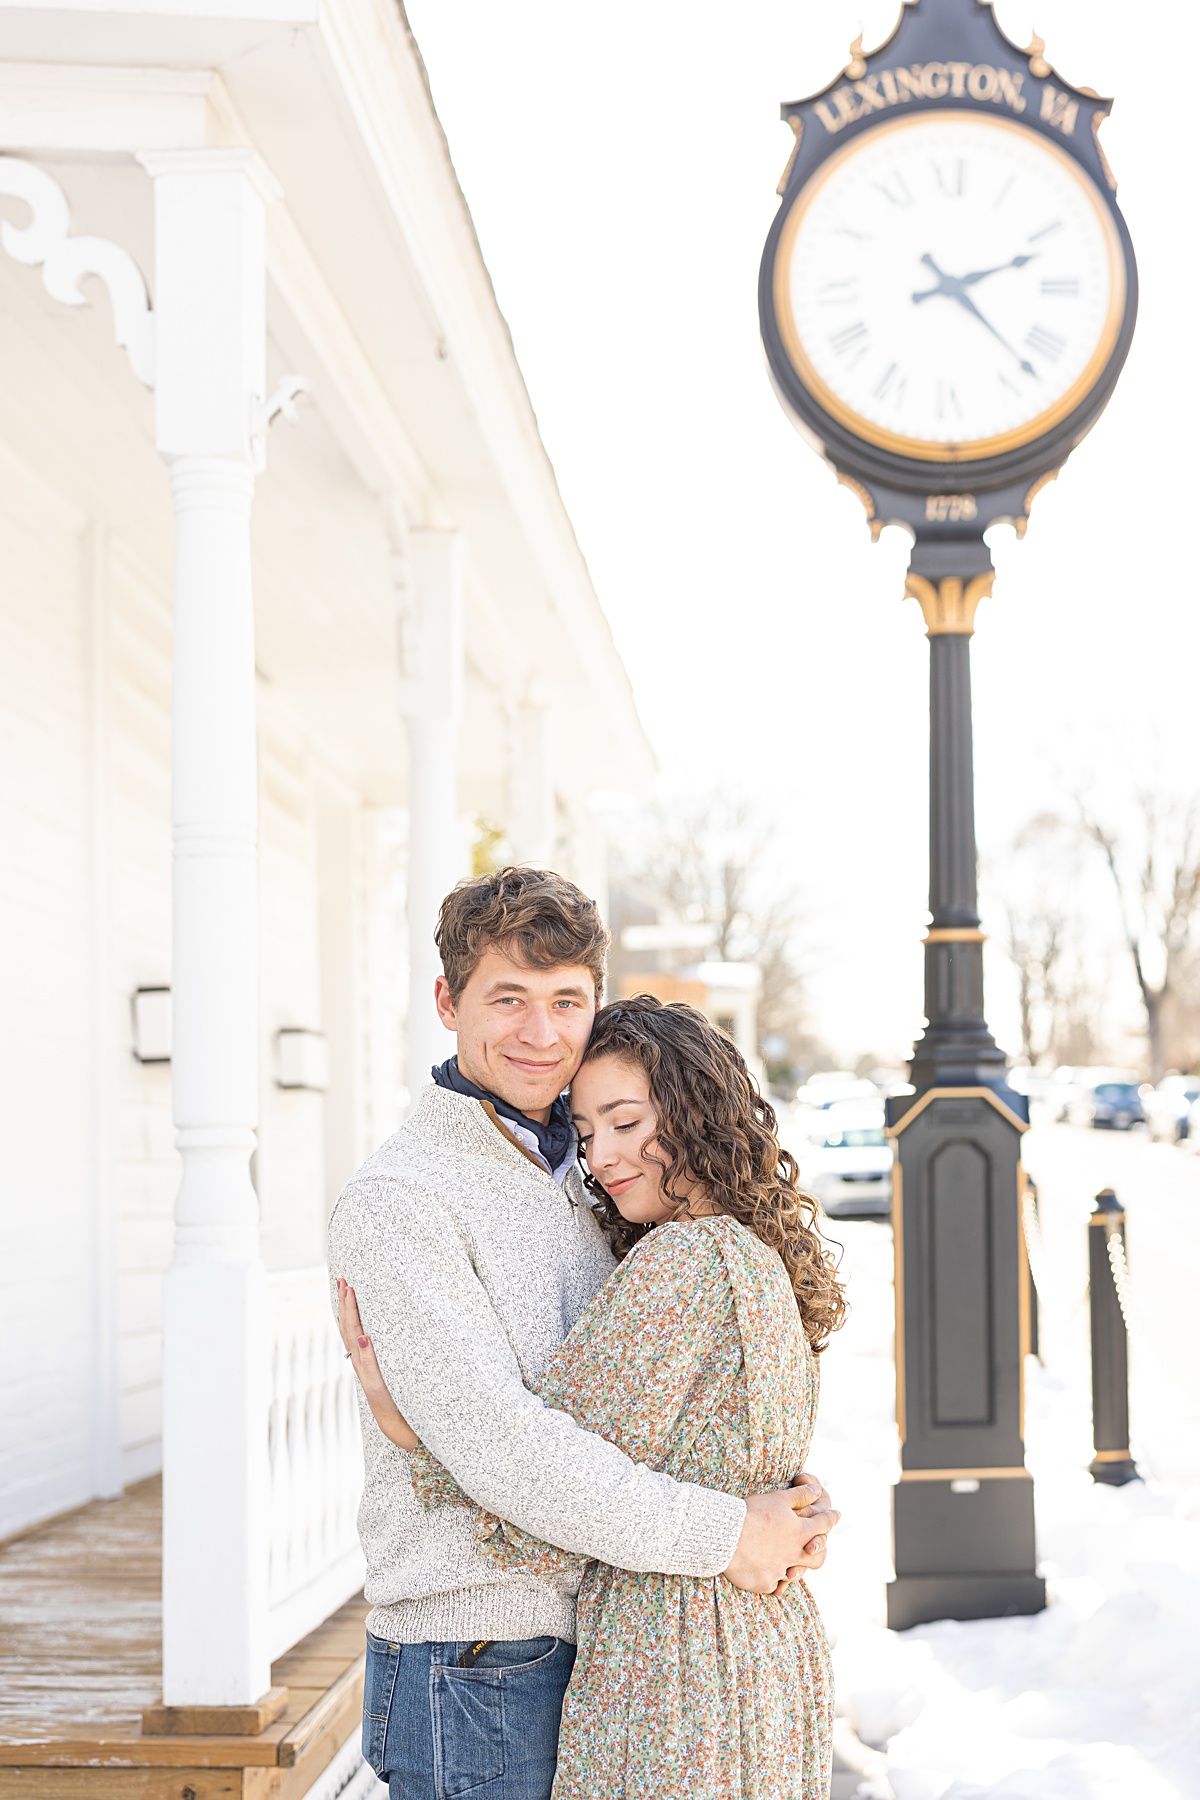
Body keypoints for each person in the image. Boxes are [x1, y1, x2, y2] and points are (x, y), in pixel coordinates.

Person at [328, 867, 839, 1800]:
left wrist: (773, 1498)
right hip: (477, 1655)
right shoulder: (402, 1200)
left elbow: (651, 1411)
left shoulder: (592, 1180)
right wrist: (735, 1530)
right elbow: (508, 1454)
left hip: (620, 1636)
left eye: (566, 1000)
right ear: (447, 1002)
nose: (541, 1031)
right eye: (508, 998)